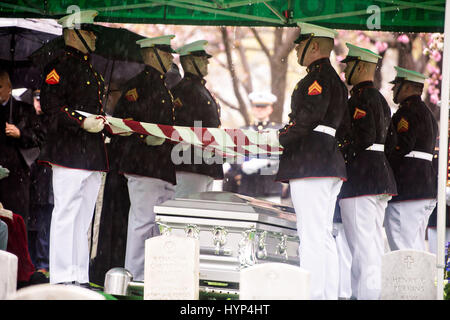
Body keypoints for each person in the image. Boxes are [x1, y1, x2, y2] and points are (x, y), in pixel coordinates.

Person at [272, 22, 348, 300]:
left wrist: (278, 138)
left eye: (299, 45)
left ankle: (314, 295)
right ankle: (328, 294)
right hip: (327, 162)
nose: (296, 51)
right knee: (324, 235)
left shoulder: (317, 80)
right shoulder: (337, 82)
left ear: (314, 46)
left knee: (311, 236)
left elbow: (306, 118)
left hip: (312, 163)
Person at [38, 10, 108, 287]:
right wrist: (81, 122)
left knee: (83, 218)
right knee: (67, 213)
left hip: (90, 153)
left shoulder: (91, 69)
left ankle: (79, 274)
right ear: (74, 33)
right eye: (89, 31)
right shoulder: (59, 67)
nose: (93, 37)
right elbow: (52, 108)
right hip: (68, 151)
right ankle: (62, 276)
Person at [111, 35, 177, 281]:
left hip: (160, 165)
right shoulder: (137, 86)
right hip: (142, 164)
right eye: (166, 52)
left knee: (158, 225)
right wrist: (143, 140)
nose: (171, 57)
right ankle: (135, 275)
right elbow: (124, 123)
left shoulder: (162, 86)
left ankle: (150, 276)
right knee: (142, 222)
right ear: (151, 54)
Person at [338, 43, 397, 300]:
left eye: (349, 65)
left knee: (362, 246)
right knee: (370, 242)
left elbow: (362, 137)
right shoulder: (381, 99)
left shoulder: (360, 99)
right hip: (378, 177)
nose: (346, 70)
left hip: (362, 179)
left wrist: (339, 152)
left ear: (361, 66)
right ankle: (367, 293)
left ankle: (367, 295)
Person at [384, 66, 438, 251]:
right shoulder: (427, 114)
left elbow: (400, 147)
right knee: (415, 247)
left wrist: (384, 166)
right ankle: (420, 281)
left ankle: (408, 281)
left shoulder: (406, 113)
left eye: (396, 85)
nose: (393, 89)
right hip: (424, 186)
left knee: (402, 249)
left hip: (409, 186)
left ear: (407, 88)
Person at [171, 40, 223, 198]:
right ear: (188, 61)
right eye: (201, 58)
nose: (206, 61)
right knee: (184, 211)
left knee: (199, 214)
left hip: (203, 163)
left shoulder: (200, 89)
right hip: (189, 162)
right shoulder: (183, 90)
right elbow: (181, 125)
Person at [0, 71, 44, 228]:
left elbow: (39, 137)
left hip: (16, 176)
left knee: (15, 223)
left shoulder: (24, 110)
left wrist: (20, 134)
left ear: (9, 87)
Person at [224, 91, 285, 203]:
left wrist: (266, 162)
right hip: (247, 187)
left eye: (263, 106)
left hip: (270, 187)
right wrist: (241, 166)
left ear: (270, 109)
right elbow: (232, 156)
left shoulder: (278, 130)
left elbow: (283, 155)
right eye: (257, 106)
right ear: (252, 109)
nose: (260, 109)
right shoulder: (243, 131)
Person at [27, 89, 53, 274]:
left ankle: (43, 264)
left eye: (41, 99)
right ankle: (31, 262)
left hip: (45, 179)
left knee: (44, 224)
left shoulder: (51, 121)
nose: (38, 103)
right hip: (30, 179)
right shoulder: (28, 118)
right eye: (36, 99)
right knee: (31, 224)